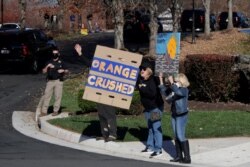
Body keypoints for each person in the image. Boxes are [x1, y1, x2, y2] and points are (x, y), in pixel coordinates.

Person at [74, 44, 117, 142]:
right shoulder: (98, 64)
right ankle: (105, 134)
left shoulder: (114, 65)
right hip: (99, 92)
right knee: (102, 114)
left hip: (109, 94)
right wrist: (80, 53)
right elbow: (88, 63)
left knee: (110, 114)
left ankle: (113, 134)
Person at [158, 73, 191, 164]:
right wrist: (161, 79)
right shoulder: (174, 89)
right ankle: (179, 156)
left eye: (177, 81)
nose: (175, 83)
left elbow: (179, 92)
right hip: (174, 114)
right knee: (176, 136)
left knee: (181, 136)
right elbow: (164, 92)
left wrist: (172, 82)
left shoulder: (184, 90)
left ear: (182, 81)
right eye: (175, 81)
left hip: (181, 115)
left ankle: (187, 158)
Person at [137, 61, 164, 158]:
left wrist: (143, 88)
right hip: (147, 108)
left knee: (156, 127)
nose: (142, 71)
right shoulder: (140, 80)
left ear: (149, 71)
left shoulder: (154, 80)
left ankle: (158, 149)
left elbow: (152, 94)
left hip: (156, 108)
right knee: (150, 128)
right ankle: (150, 146)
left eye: (144, 69)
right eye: (141, 69)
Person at [40, 49, 69, 116]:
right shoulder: (49, 62)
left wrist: (64, 70)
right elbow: (43, 71)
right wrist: (47, 66)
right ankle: (44, 111)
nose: (54, 55)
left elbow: (67, 70)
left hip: (58, 81)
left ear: (58, 54)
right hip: (50, 81)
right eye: (53, 53)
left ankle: (55, 111)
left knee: (58, 96)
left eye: (56, 54)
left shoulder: (61, 62)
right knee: (47, 96)